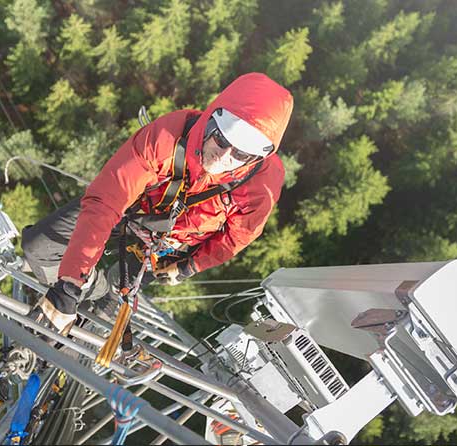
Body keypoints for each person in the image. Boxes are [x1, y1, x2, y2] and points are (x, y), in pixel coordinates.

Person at [21, 72, 294, 333]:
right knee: (39, 247)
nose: (224, 156)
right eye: (221, 139)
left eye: (240, 154)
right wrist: (70, 283)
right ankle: (87, 285)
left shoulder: (260, 186)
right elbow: (107, 198)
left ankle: (94, 300)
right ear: (211, 119)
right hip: (132, 210)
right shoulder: (168, 136)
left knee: (112, 301)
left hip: (169, 245)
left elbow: (237, 237)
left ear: (257, 158)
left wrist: (190, 266)